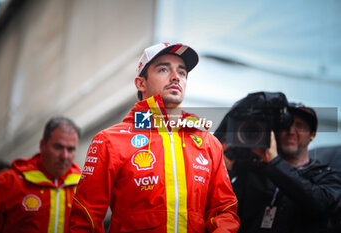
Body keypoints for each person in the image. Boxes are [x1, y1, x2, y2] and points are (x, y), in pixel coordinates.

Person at [69, 42, 240, 233]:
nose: (176, 77)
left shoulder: (209, 143)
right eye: (164, 69)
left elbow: (224, 210)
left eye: (182, 73)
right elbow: (85, 218)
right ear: (141, 83)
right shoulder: (109, 140)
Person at [216, 102, 341, 233]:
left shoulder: (327, 175)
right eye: (285, 126)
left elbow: (319, 204)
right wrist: (226, 163)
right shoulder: (254, 170)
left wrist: (274, 162)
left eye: (299, 126)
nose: (291, 131)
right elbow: (224, 206)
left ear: (312, 134)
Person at [0, 116, 82, 233]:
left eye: (70, 149)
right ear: (42, 145)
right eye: (58, 147)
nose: (64, 156)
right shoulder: (7, 182)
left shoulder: (83, 186)